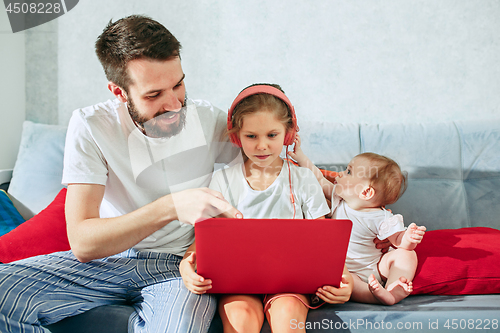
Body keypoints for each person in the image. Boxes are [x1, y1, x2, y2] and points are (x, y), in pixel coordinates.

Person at [0, 15, 243, 333]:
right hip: (108, 261)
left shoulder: (209, 119)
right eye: (154, 95)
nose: (173, 104)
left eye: (179, 84)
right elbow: (84, 242)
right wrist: (171, 206)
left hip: (176, 268)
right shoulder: (90, 126)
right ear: (119, 92)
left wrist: (320, 177)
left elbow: (272, 162)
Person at [180, 84, 354, 333]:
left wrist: (343, 279)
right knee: (239, 320)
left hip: (291, 284)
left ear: (287, 135)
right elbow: (206, 237)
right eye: (251, 136)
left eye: (272, 135)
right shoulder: (222, 180)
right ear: (236, 136)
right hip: (238, 283)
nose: (262, 145)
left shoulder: (303, 179)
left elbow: (326, 241)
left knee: (287, 316)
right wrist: (186, 264)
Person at [289, 137, 426, 305]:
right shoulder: (338, 199)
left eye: (348, 172)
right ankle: (376, 296)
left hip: (376, 267)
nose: (340, 173)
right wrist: (301, 157)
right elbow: (318, 178)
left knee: (407, 255)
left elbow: (399, 242)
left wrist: (409, 239)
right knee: (348, 281)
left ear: (366, 192)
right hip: (348, 270)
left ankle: (391, 288)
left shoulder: (382, 217)